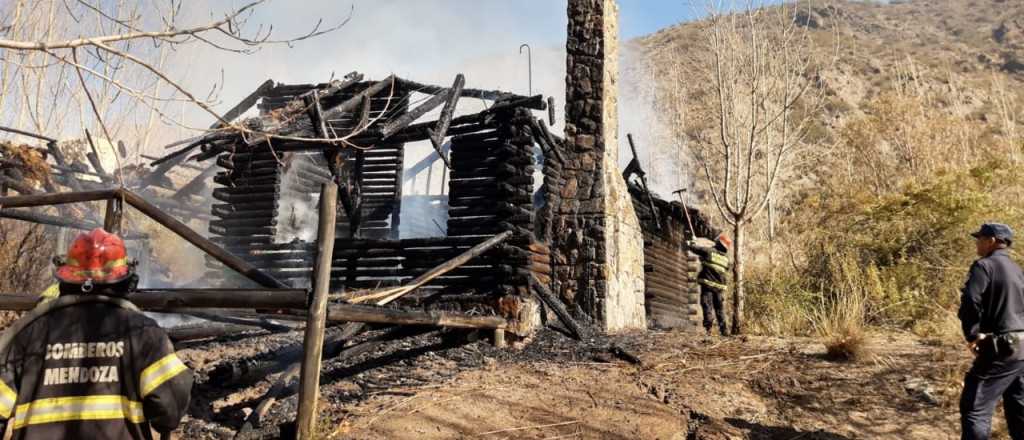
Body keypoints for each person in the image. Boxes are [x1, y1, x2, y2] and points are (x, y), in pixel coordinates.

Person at [0, 228, 192, 439]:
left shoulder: (26, 333)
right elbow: (171, 410)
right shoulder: (142, 333)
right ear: (124, 280)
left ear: (65, 277)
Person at [958, 223, 1024, 440]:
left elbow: (970, 300)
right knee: (1018, 408)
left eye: (980, 238)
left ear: (993, 240)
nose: (977, 242)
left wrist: (972, 334)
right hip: (1022, 350)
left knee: (975, 407)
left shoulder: (984, 266)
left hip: (1001, 346)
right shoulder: (1017, 270)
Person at [690, 233, 731, 336]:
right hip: (720, 288)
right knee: (720, 309)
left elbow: (693, 248)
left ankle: (708, 330)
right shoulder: (726, 259)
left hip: (708, 285)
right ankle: (724, 331)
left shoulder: (709, 251)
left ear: (718, 243)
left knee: (707, 306)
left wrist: (694, 241)